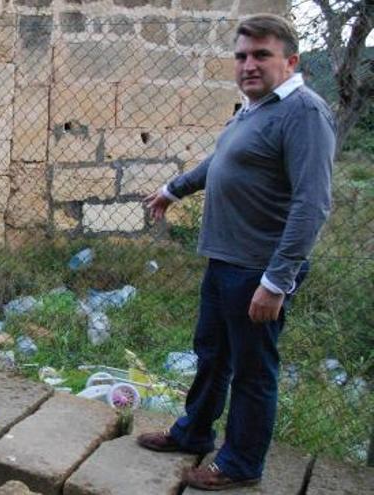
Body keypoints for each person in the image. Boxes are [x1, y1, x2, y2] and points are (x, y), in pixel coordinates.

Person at [138, 14, 334, 491]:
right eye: (242, 56)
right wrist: (173, 189)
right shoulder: (255, 109)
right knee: (211, 353)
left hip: (258, 269)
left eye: (261, 55)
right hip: (226, 260)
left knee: (251, 371)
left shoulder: (303, 112)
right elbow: (221, 160)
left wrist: (277, 281)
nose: (248, 64)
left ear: (291, 60)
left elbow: (313, 204)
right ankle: (193, 432)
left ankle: (242, 464)